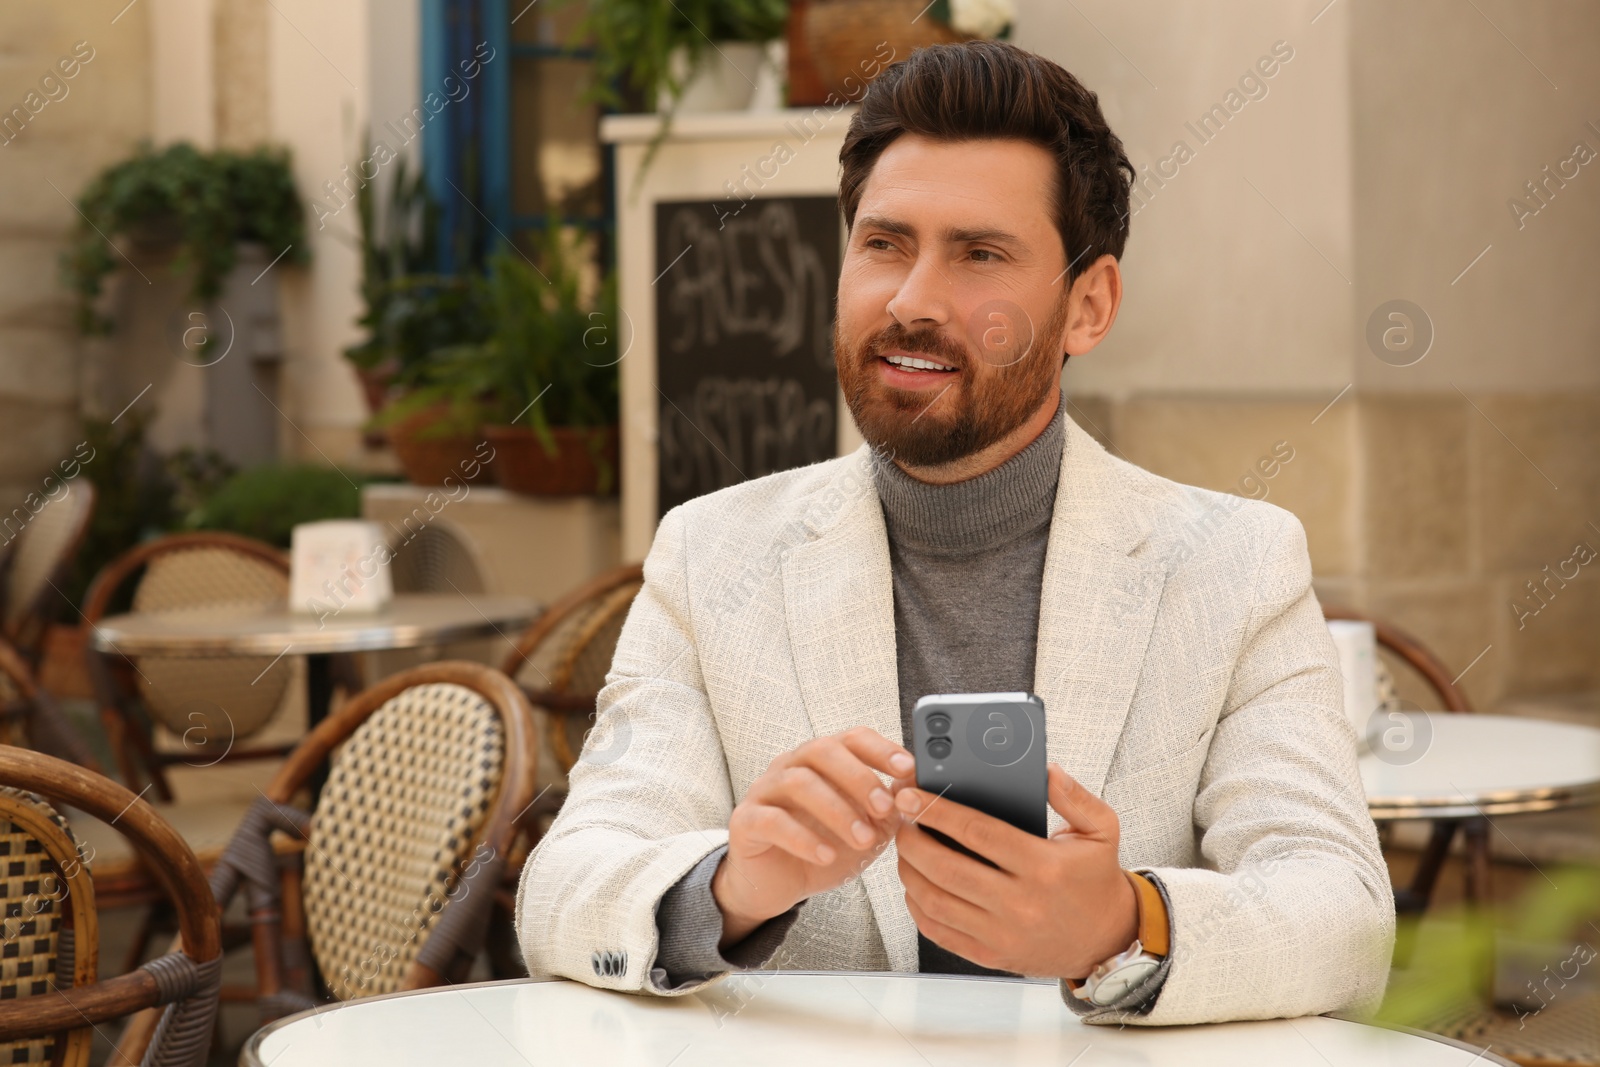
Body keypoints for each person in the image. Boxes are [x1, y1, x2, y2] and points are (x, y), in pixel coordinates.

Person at [517, 40, 1393, 1025]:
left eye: (979, 254)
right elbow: (563, 888)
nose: (910, 300)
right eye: (883, 244)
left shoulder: (1235, 565)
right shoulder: (710, 552)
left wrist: (1121, 922)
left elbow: (1344, 917)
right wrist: (732, 881)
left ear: (1088, 304)